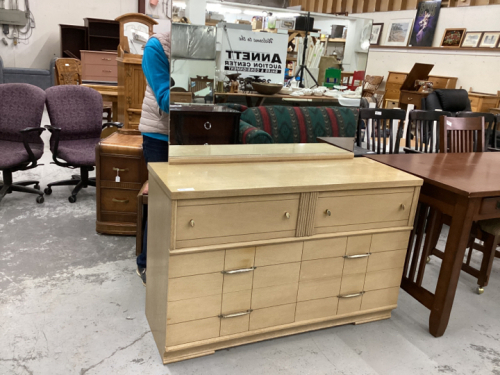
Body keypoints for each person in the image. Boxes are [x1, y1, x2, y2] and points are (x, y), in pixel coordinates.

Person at [136, 31, 171, 286]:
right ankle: (147, 263)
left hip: (192, 132)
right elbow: (165, 99)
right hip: (160, 135)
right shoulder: (156, 46)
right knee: (159, 202)